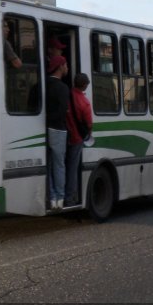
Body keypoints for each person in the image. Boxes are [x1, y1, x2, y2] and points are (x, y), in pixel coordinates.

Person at [46, 55, 69, 210]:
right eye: (66, 64)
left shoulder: (41, 84)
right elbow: (63, 111)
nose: (67, 67)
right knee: (59, 165)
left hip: (42, 129)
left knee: (47, 166)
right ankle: (60, 199)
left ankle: (52, 197)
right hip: (58, 129)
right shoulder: (62, 88)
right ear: (60, 66)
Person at [65, 73, 92, 207]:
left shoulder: (67, 95)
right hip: (77, 138)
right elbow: (89, 124)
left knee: (62, 166)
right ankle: (70, 197)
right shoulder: (84, 102)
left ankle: (60, 194)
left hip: (65, 135)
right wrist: (88, 134)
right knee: (73, 168)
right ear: (85, 85)